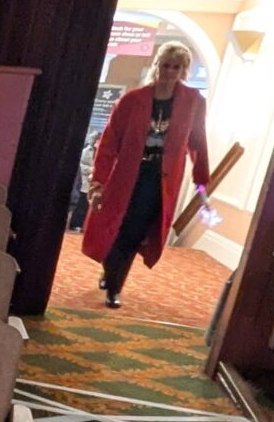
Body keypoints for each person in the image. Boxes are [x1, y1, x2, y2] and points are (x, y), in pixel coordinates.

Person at [84, 41, 211, 308]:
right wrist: (98, 182)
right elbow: (109, 143)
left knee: (135, 230)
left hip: (160, 180)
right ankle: (111, 270)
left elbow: (198, 142)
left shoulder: (193, 102)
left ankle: (114, 286)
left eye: (176, 67)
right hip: (126, 175)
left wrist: (201, 182)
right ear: (157, 65)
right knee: (116, 226)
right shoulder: (132, 100)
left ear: (184, 70)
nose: (170, 72)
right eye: (166, 65)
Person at [67, 128, 101, 233]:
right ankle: (74, 224)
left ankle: (81, 225)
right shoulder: (87, 150)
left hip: (92, 183)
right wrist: (92, 170)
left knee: (86, 206)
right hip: (84, 181)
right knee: (80, 205)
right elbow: (81, 166)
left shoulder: (99, 152)